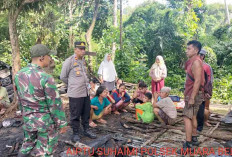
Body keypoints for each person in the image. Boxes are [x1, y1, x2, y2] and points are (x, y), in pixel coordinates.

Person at [14, 44, 67, 157]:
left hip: (28, 119)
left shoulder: (18, 75)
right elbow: (55, 105)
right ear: (42, 57)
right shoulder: (45, 77)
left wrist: (24, 115)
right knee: (45, 151)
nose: (50, 58)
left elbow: (20, 99)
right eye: (49, 56)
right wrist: (61, 124)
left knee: (27, 145)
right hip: (44, 123)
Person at [60, 41, 96, 143]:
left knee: (86, 112)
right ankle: (75, 133)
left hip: (85, 92)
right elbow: (63, 76)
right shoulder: (69, 61)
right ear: (75, 49)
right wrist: (72, 84)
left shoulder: (83, 61)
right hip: (75, 93)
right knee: (75, 114)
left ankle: (86, 130)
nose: (82, 51)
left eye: (84, 49)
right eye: (80, 49)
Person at [180, 40, 204, 152]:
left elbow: (198, 81)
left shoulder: (196, 62)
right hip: (191, 93)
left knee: (186, 117)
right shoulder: (192, 61)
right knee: (193, 116)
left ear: (196, 50)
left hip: (192, 94)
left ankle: (188, 144)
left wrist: (192, 97)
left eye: (189, 49)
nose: (186, 51)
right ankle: (194, 138)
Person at [197, 49, 214, 131]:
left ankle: (203, 122)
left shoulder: (207, 67)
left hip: (203, 91)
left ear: (202, 56)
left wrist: (207, 91)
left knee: (204, 108)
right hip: (194, 91)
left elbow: (210, 81)